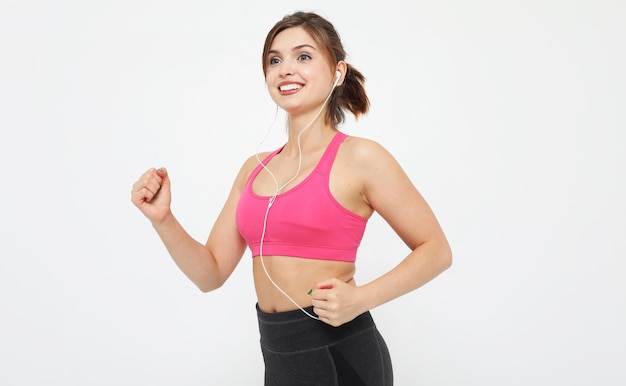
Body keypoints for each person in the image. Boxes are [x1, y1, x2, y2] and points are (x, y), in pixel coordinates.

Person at [131, 11, 452, 386]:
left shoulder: (361, 158)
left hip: (342, 355)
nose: (285, 69)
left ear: (337, 72)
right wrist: (162, 219)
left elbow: (436, 250)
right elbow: (211, 274)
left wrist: (361, 298)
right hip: (279, 355)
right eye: (274, 59)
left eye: (303, 56)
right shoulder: (255, 168)